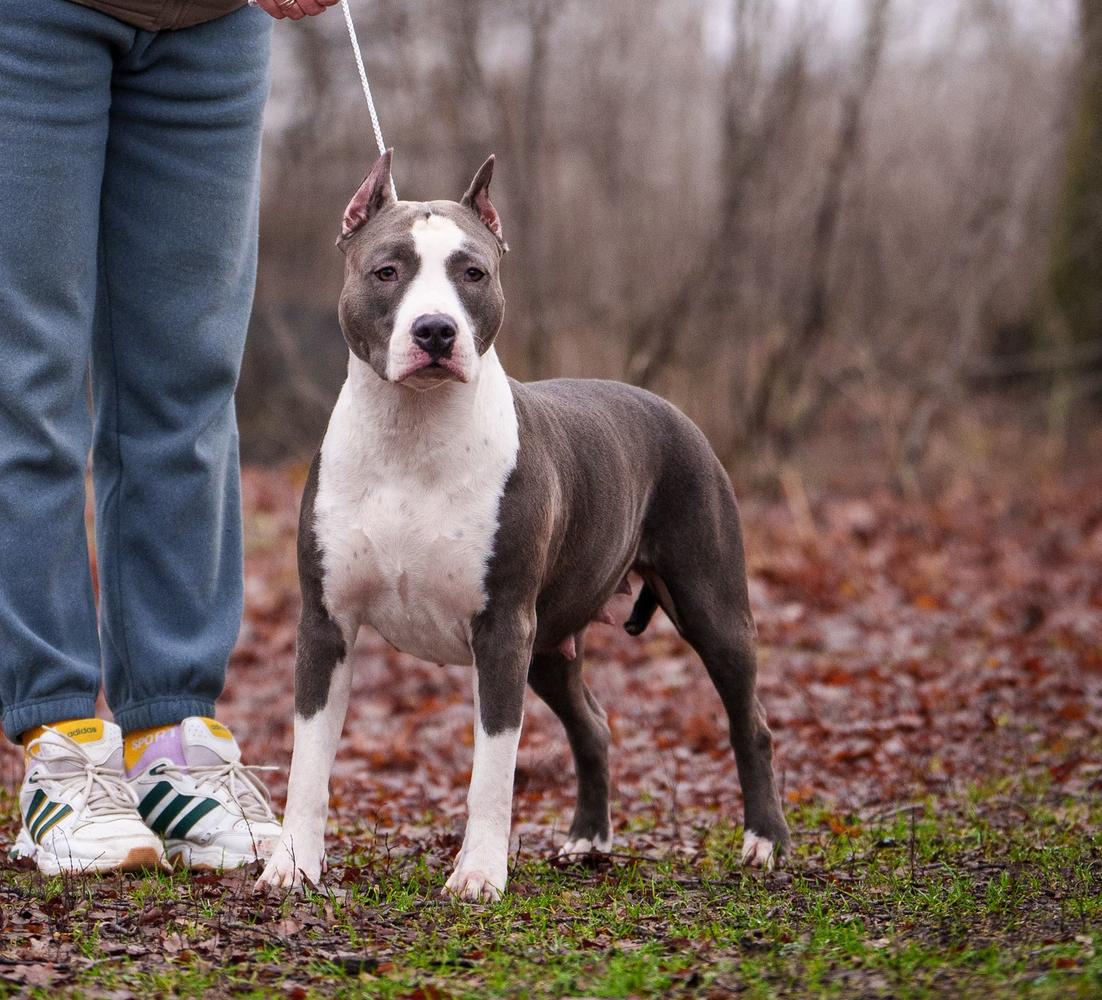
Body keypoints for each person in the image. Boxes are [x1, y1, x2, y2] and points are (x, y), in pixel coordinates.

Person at [0, 0, 338, 875]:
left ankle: (170, 741)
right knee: (27, 381)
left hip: (215, 25)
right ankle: (61, 745)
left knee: (187, 385)